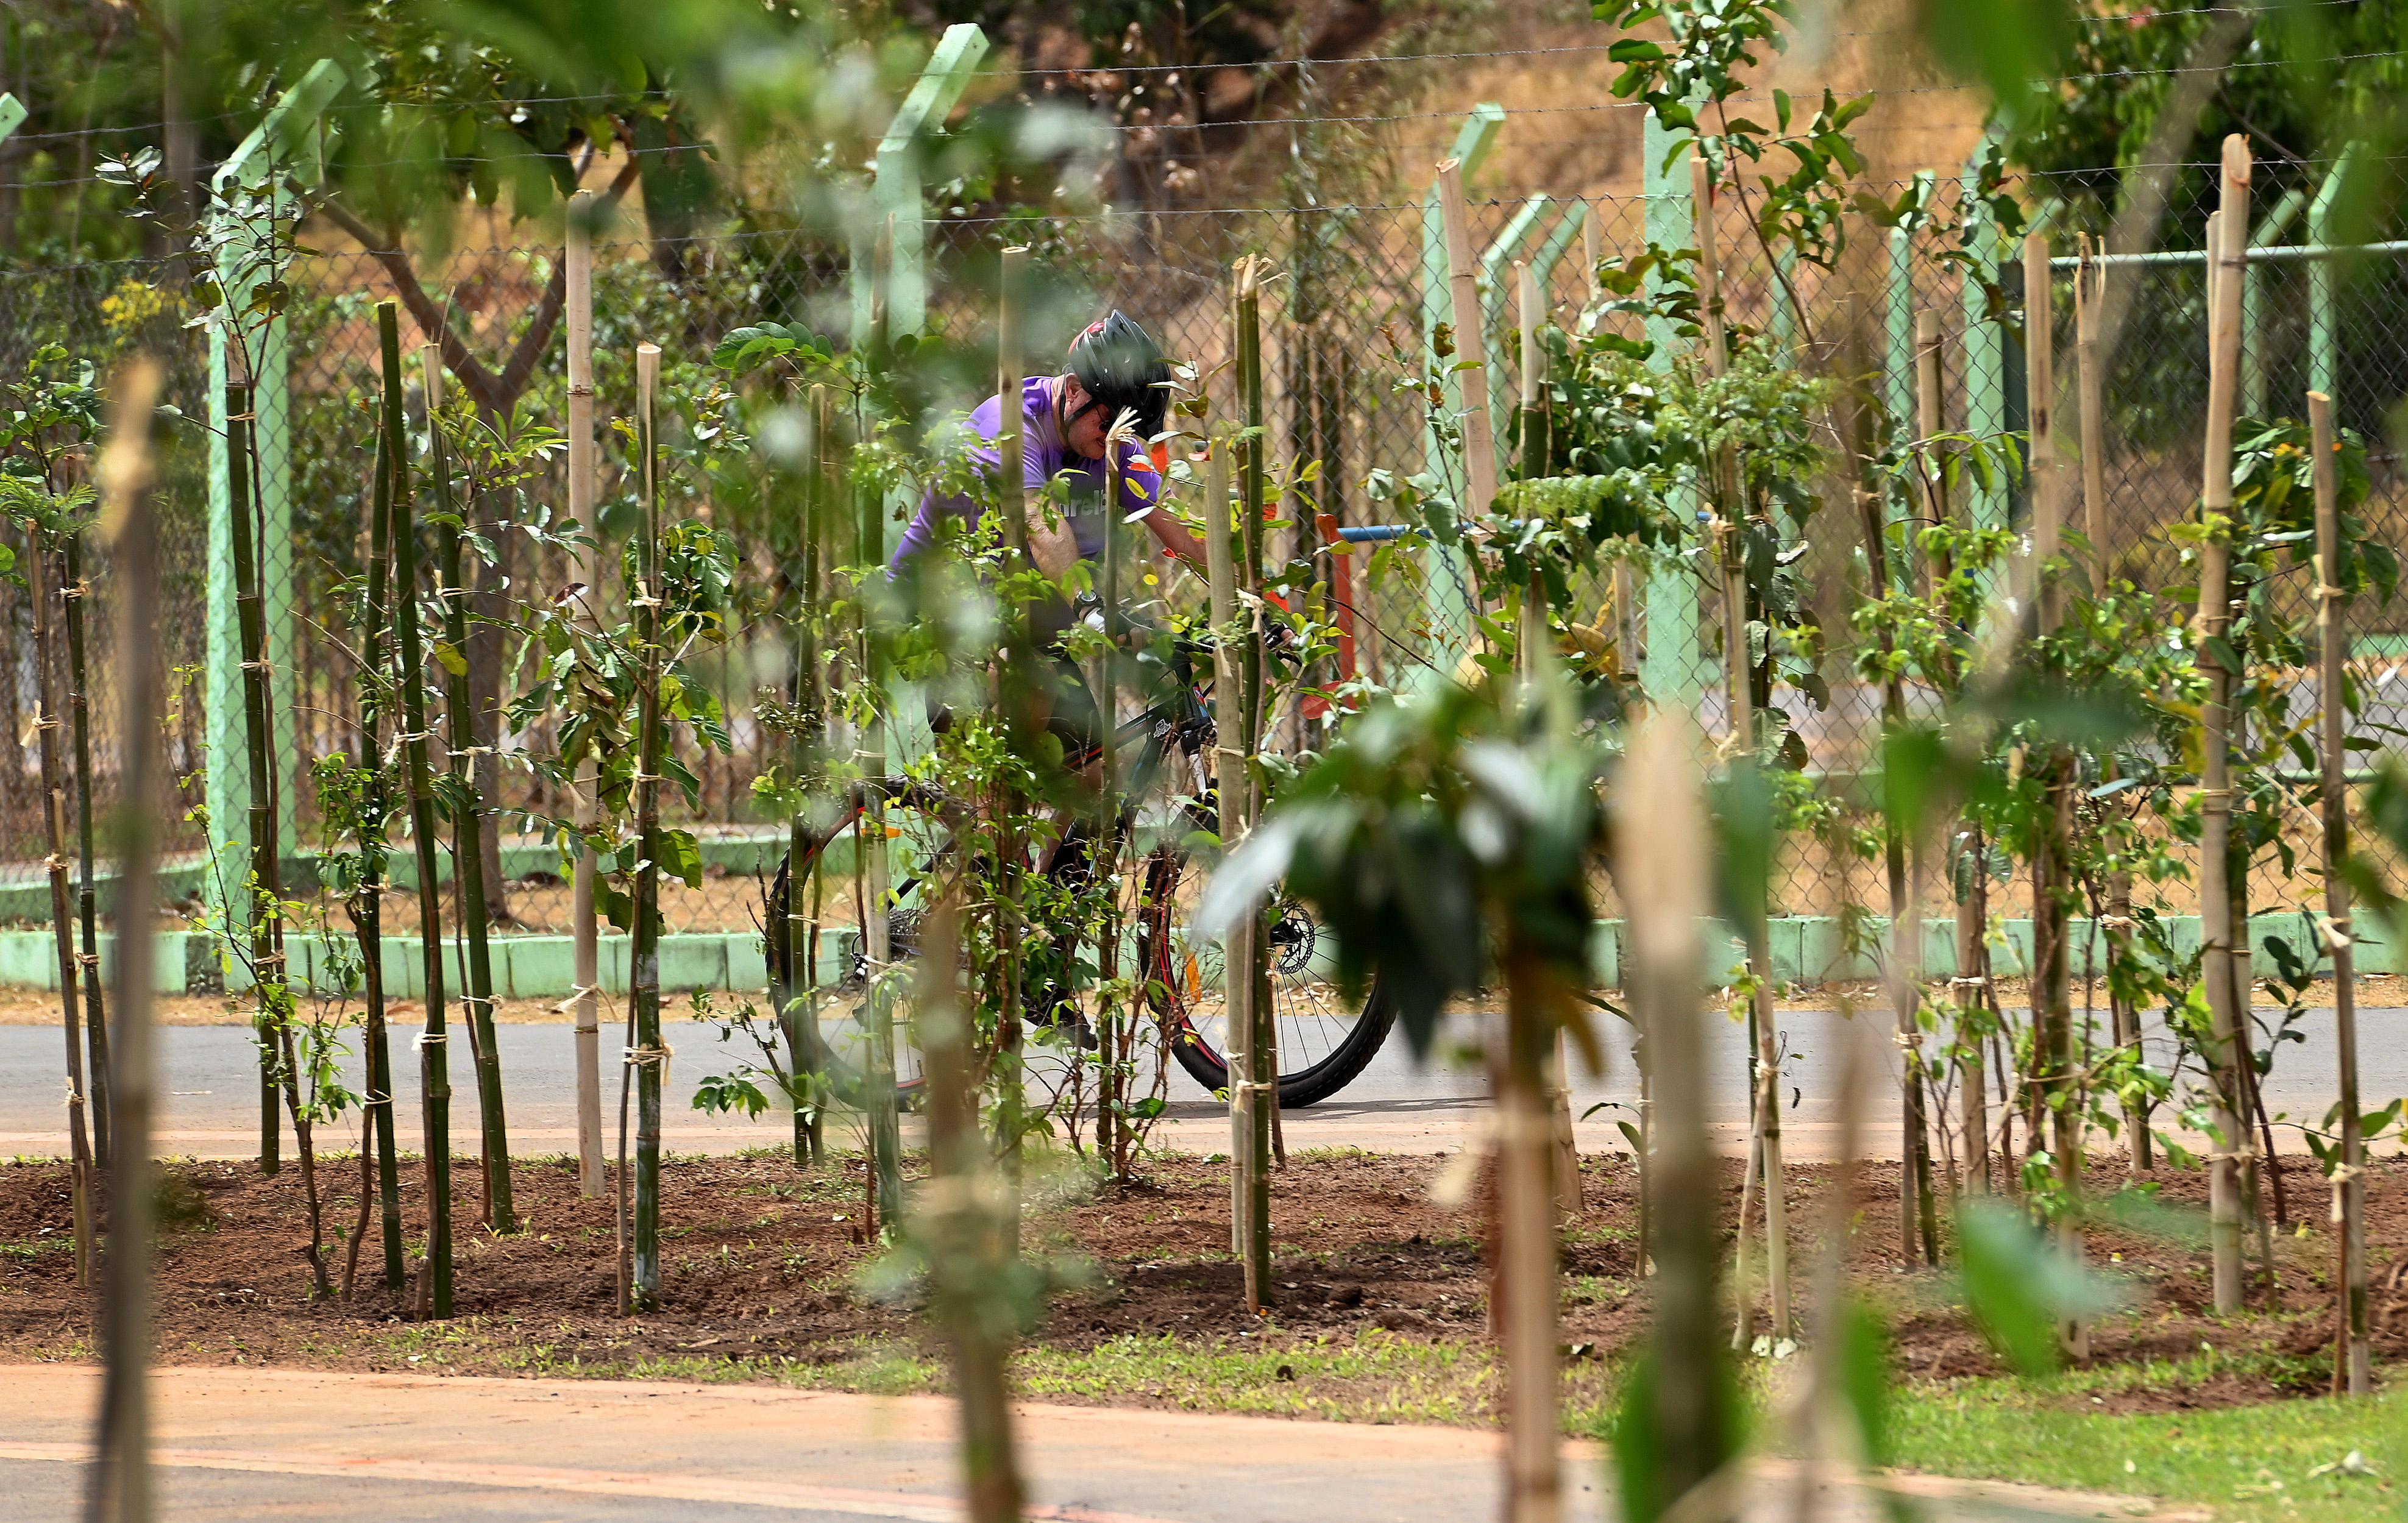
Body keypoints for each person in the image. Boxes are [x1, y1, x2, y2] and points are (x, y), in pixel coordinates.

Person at [889, 311, 1204, 577]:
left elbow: (1187, 539)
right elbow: (1037, 522)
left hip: (1037, 637)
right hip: (935, 628)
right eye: (1109, 419)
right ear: (1075, 390)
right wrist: (1089, 610)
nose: (1116, 436)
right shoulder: (1009, 424)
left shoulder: (1114, 447)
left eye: (1130, 426)